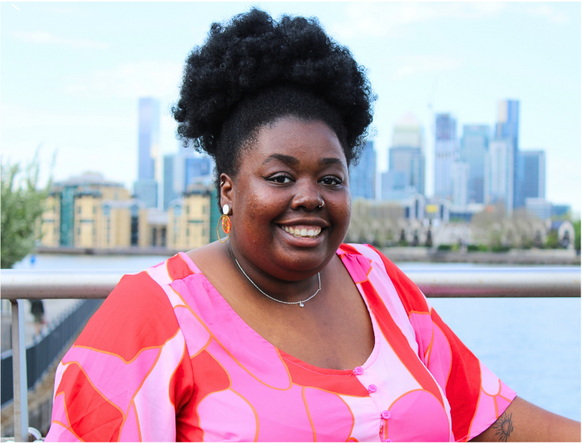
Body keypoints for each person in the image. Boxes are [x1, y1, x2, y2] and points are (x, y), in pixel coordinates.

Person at [45, 9, 579, 442]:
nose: (309, 197)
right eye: (280, 176)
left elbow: (489, 418)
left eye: (330, 178)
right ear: (228, 190)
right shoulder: (154, 314)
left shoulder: (377, 283)